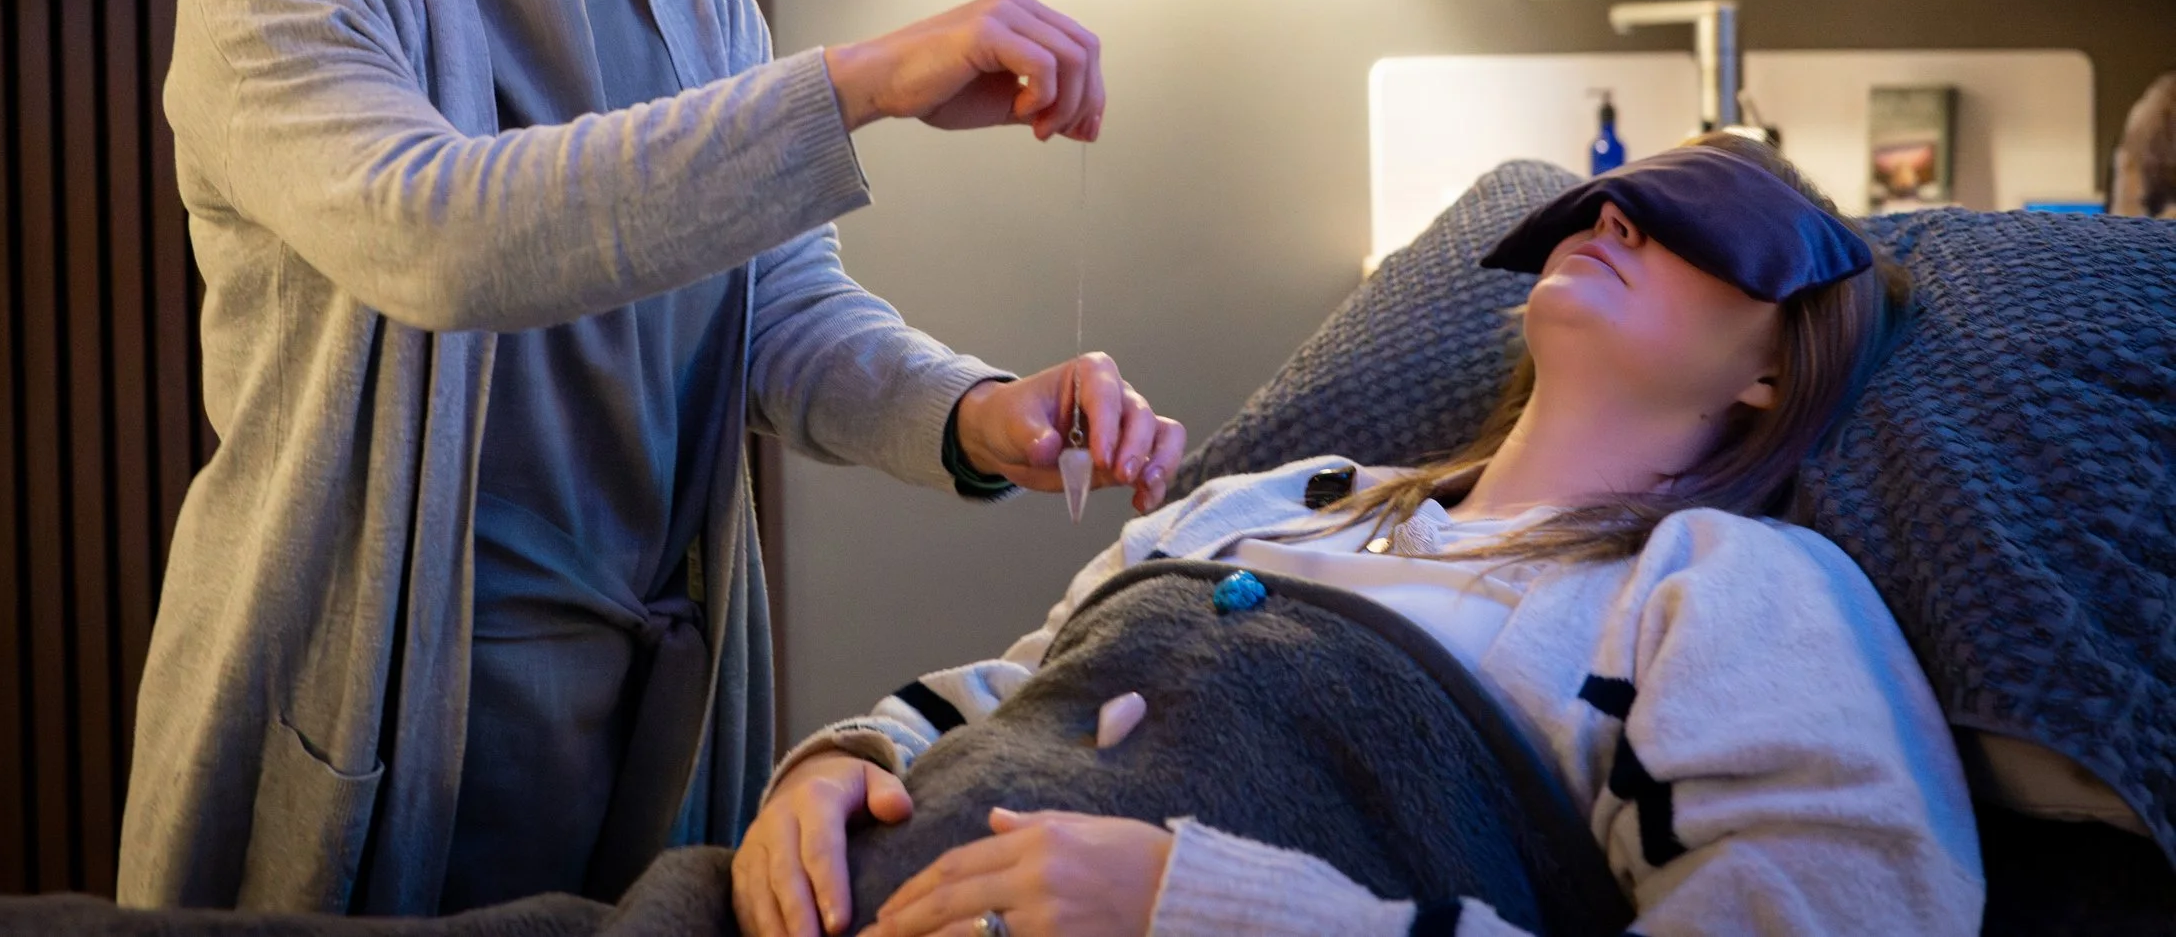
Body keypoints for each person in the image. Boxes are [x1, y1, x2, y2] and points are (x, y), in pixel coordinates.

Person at [115, 0, 1185, 916]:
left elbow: (775, 317)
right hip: (370, 714)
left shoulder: (694, 2)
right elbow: (451, 235)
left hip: (654, 717)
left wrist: (974, 408)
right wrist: (857, 81)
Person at [737, 136, 1985, 937]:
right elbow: (1024, 685)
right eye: (1611, 201)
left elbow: (1838, 906)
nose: (1611, 219)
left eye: (1699, 225)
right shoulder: (1271, 501)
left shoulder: (1721, 587)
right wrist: (844, 761)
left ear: (1771, 367)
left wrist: (1204, 908)